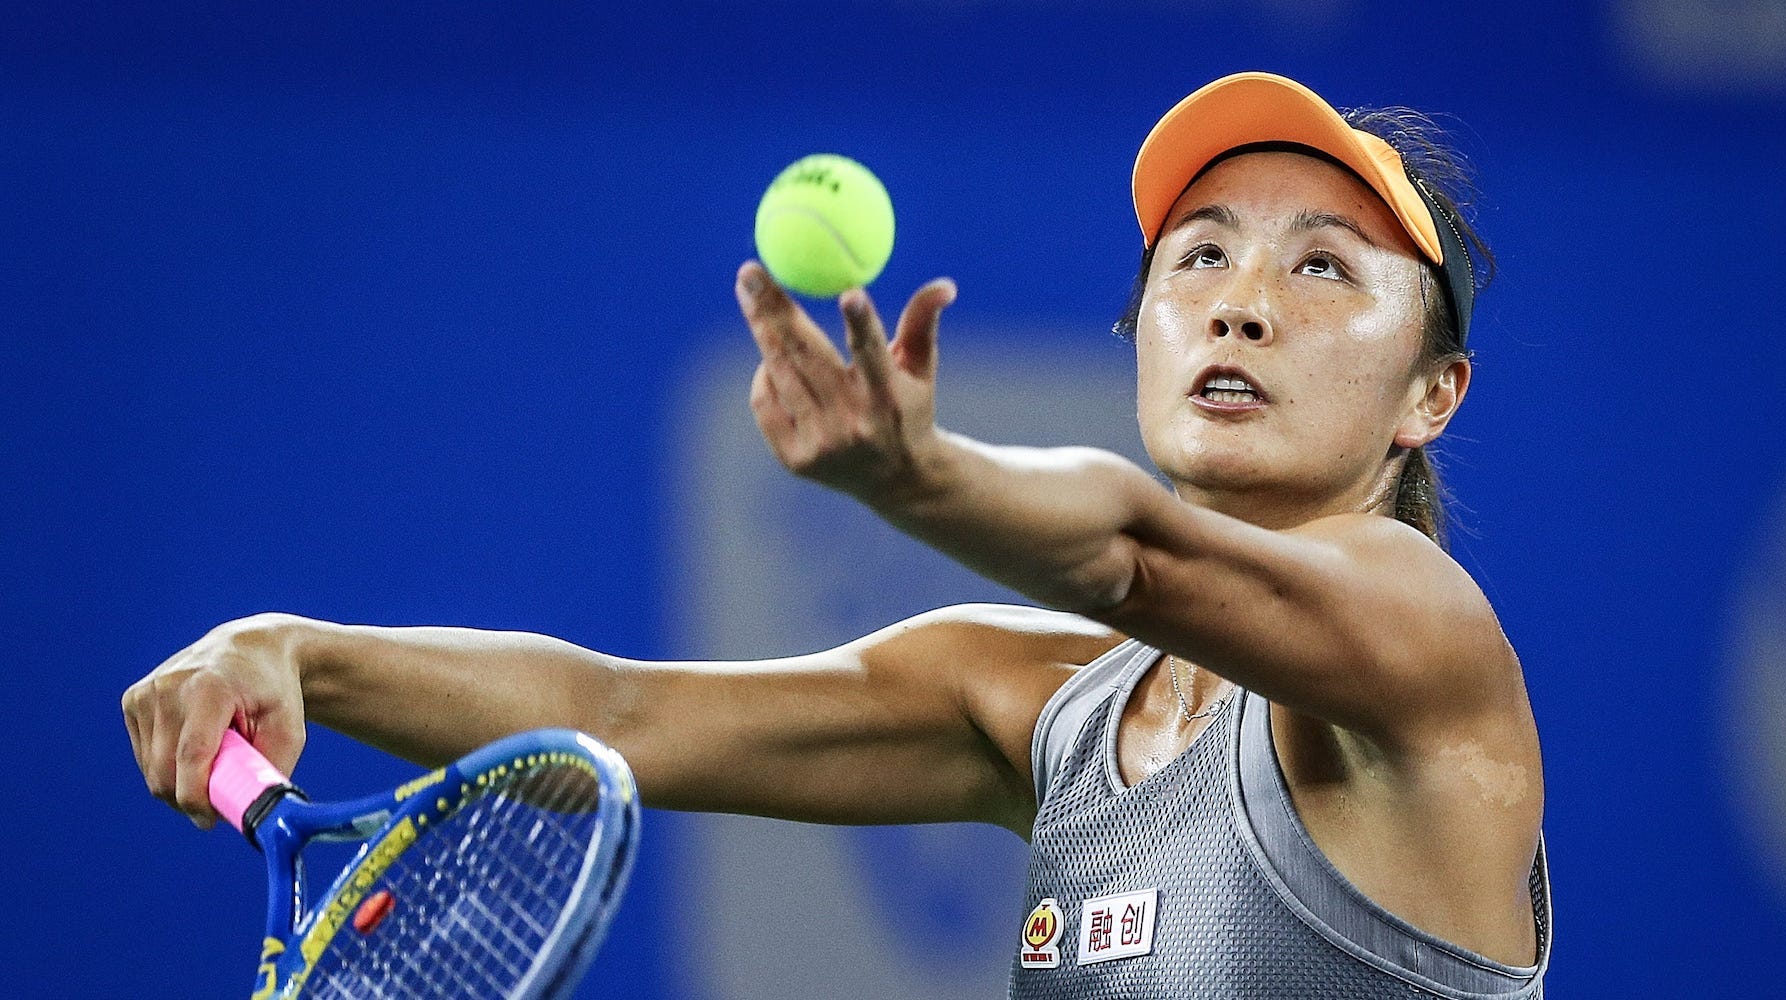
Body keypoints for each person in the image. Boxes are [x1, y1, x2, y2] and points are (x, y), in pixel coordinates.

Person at [123, 71, 1550, 998]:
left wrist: (916, 480)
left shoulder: (1421, 641)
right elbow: (611, 718)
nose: (1243, 300)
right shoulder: (1036, 709)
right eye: (1202, 255)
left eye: (1323, 267)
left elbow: (1133, 552)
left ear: (1435, 395)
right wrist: (300, 652)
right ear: (1144, 331)